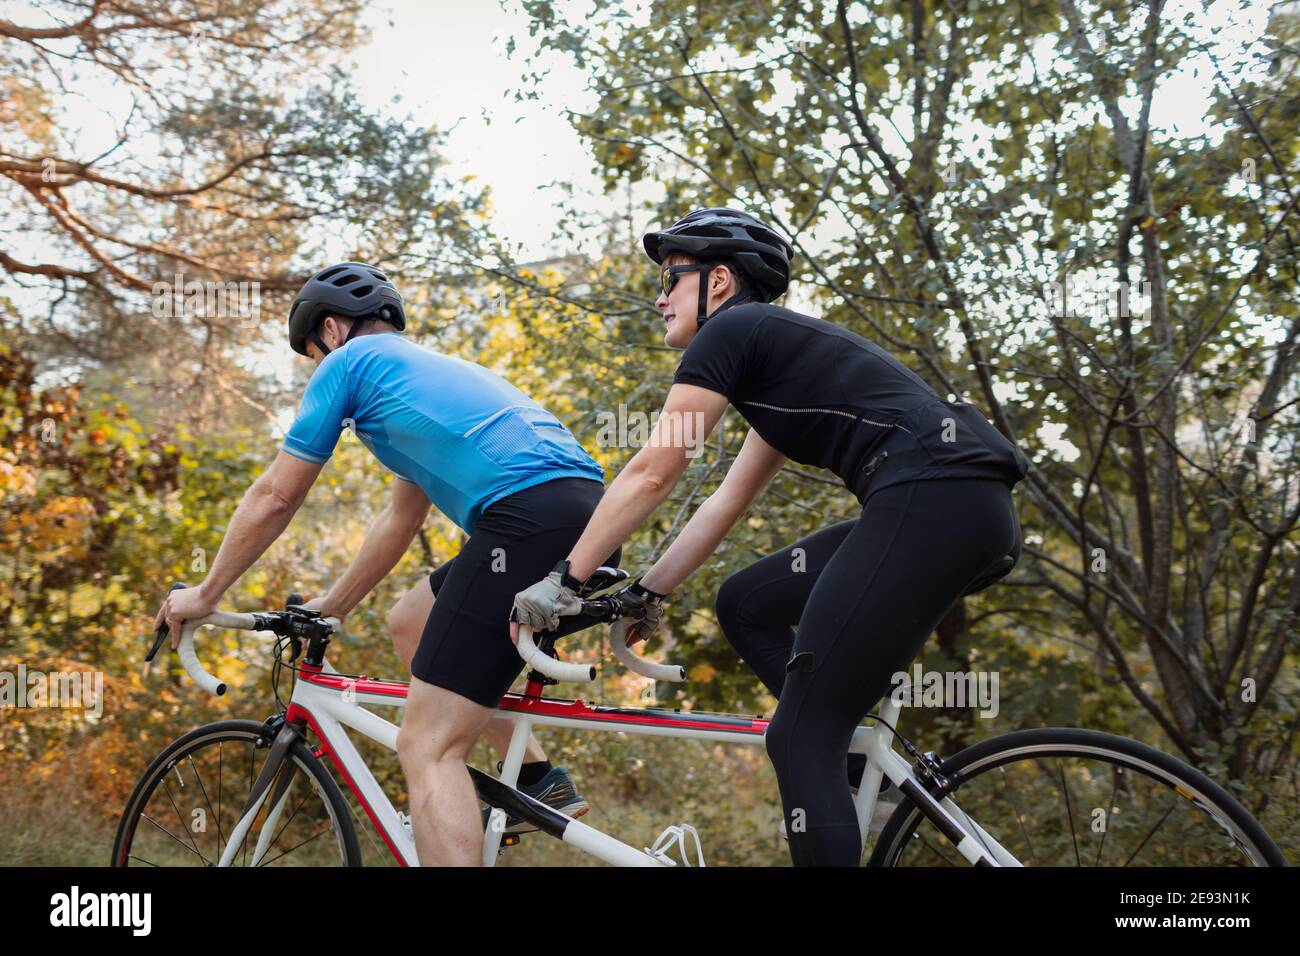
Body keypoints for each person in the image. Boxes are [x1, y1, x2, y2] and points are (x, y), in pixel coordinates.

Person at [511, 209, 1028, 866]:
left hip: (932, 502)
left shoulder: (734, 331)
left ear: (719, 282)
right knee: (747, 602)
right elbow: (725, 500)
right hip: (963, 511)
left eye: (672, 277)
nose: (659, 296)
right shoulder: (776, 360)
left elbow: (654, 469)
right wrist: (644, 594)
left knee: (799, 737)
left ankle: (826, 760)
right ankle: (852, 778)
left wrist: (566, 579)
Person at [155, 261, 618, 865]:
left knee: (426, 746)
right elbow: (402, 519)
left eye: (312, 356)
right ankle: (535, 778)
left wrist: (207, 591)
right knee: (410, 620)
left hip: (527, 521)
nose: (316, 370)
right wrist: (331, 607)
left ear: (330, 329)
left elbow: (275, 494)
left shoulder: (349, 364)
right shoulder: (424, 380)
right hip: (589, 521)